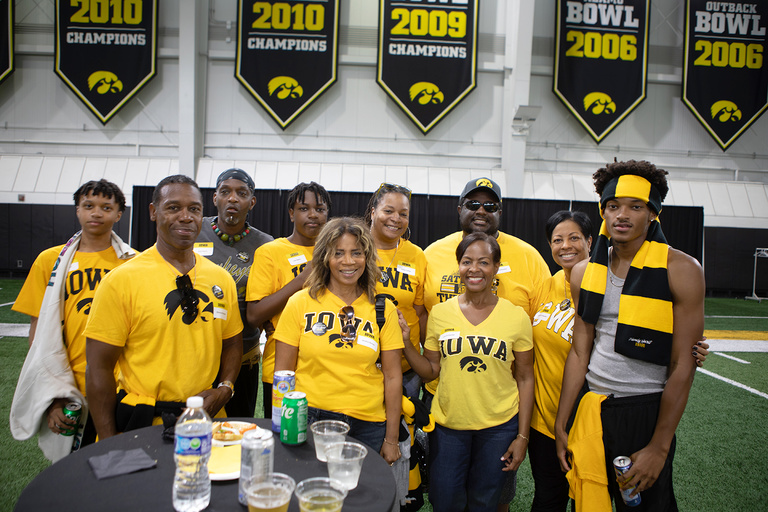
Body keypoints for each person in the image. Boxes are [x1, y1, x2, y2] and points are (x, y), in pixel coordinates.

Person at [554, 160, 705, 511]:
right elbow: (579, 352)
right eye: (613, 206)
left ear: (653, 213)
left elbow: (685, 362)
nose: (622, 215)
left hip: (645, 407)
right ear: (602, 211)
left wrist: (660, 445)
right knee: (590, 502)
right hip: (593, 406)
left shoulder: (681, 269)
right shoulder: (582, 272)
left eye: (635, 207)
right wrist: (563, 423)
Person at [84, 175, 243, 439]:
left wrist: (224, 389)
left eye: (194, 209)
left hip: (205, 421)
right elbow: (98, 368)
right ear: (153, 212)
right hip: (142, 423)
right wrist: (108, 443)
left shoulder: (221, 279)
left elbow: (233, 343)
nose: (185, 217)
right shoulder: (122, 280)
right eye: (173, 208)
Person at [422, 177, 548, 509]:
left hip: (498, 406)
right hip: (446, 400)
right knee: (444, 494)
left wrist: (523, 435)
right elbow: (420, 312)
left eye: (490, 205)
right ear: (459, 208)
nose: (481, 211)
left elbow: (545, 323)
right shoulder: (433, 254)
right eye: (473, 203)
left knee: (492, 497)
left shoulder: (529, 258)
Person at [401, 232, 534, 512]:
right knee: (445, 500)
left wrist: (522, 436)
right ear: (458, 266)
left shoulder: (516, 317)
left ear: (496, 267)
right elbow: (430, 371)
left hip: (498, 427)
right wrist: (406, 344)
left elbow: (525, 377)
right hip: (449, 426)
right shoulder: (440, 313)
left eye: (483, 262)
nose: (474, 269)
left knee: (485, 503)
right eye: (467, 261)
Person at [10, 180, 135, 458]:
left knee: (122, 464)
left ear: (118, 214)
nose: (96, 213)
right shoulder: (50, 260)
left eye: (106, 207)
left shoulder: (132, 262)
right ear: (77, 210)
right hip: (71, 384)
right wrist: (52, 393)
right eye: (88, 206)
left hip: (124, 385)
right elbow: (39, 335)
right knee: (73, 473)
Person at [272, 217, 403, 464]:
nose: (348, 261)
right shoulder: (300, 303)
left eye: (357, 253)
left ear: (367, 257)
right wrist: (283, 425)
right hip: (310, 418)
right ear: (325, 257)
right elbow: (283, 373)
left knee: (360, 499)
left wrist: (391, 439)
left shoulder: (382, 309)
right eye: (338, 253)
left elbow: (393, 377)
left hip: (368, 425)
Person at [246, 181, 331, 418]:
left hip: (327, 367)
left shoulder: (337, 253)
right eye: (304, 208)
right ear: (291, 213)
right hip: (283, 368)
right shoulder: (271, 252)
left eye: (320, 209)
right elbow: (253, 316)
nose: (313, 215)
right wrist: (301, 280)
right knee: (284, 439)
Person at [195, 168, 273, 417]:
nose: (232, 198)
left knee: (237, 428)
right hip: (194, 351)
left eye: (241, 193)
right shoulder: (194, 231)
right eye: (225, 191)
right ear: (215, 197)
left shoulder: (266, 245)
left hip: (243, 355)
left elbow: (268, 298)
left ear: (252, 202)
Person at [365, 182, 428, 399]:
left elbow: (419, 312)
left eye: (403, 214)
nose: (396, 219)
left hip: (404, 365)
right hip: (360, 361)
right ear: (373, 212)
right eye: (388, 211)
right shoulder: (354, 248)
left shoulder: (416, 255)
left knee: (403, 429)